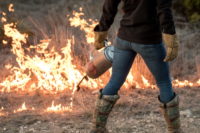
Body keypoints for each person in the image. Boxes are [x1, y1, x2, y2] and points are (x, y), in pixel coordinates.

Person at [90, 0, 182, 133]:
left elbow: (110, 5)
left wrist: (102, 30)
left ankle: (97, 128)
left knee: (115, 81)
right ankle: (175, 131)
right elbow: (164, 10)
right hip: (149, 40)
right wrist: (170, 37)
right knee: (164, 82)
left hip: (124, 38)